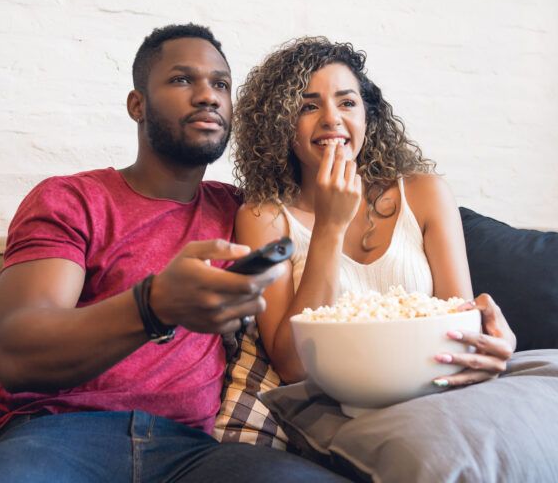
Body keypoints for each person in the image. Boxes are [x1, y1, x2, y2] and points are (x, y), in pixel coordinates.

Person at [0, 25, 348, 483]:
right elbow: (18, 354)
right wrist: (153, 305)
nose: (207, 96)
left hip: (192, 453)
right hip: (56, 435)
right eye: (183, 80)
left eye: (221, 84)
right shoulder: (73, 199)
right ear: (136, 104)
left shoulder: (242, 211)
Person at [214, 37, 517, 447]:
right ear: (279, 126)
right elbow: (292, 365)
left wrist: (492, 340)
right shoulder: (264, 217)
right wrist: (329, 226)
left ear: (368, 117)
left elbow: (456, 322)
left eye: (347, 102)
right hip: (328, 412)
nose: (331, 119)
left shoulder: (425, 194)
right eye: (308, 105)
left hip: (429, 401)